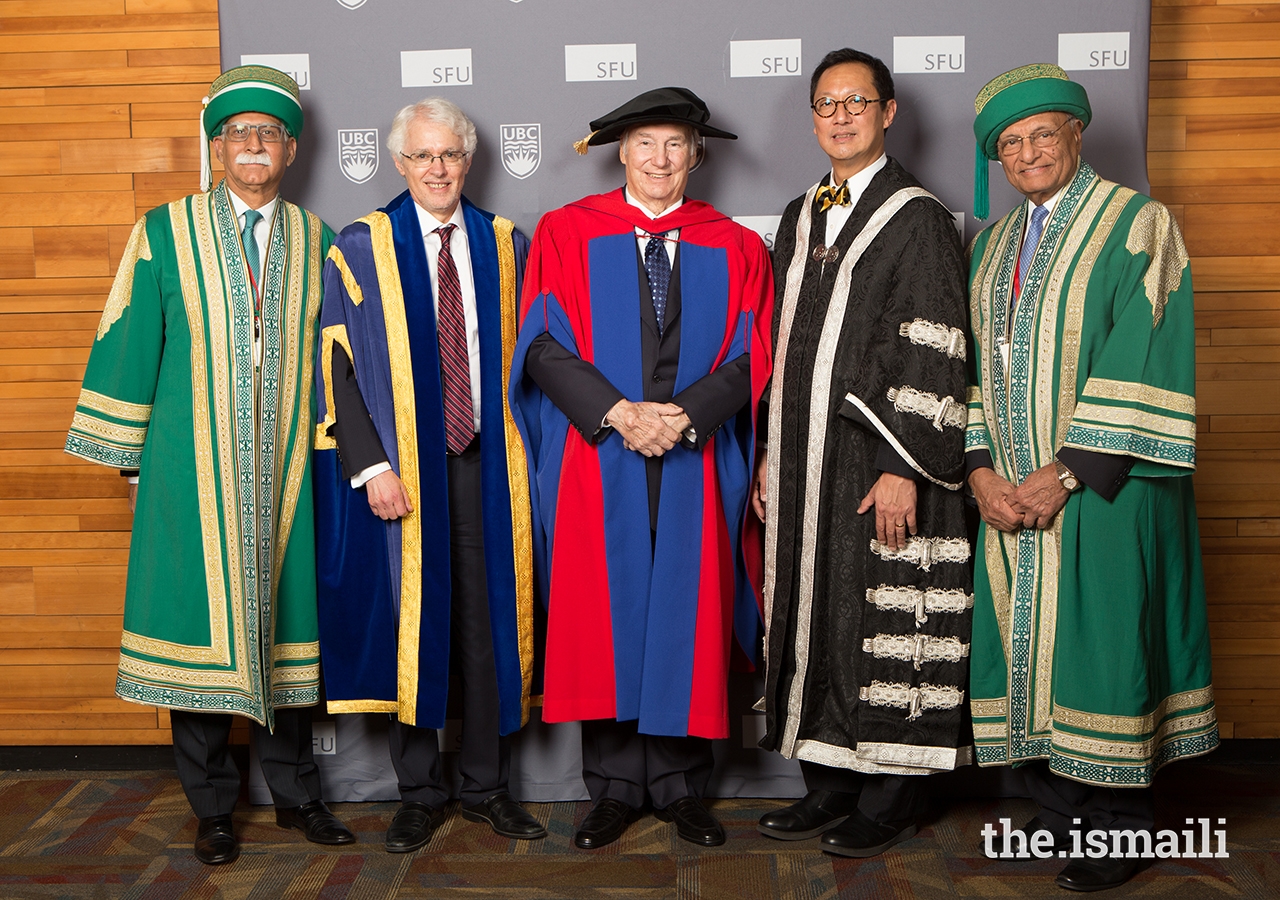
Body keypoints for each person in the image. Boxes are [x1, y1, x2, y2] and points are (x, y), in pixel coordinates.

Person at [64, 65, 352, 866]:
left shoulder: (318, 239)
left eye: (267, 133)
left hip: (291, 472)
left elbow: (340, 362)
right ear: (216, 147)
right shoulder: (164, 230)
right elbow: (128, 337)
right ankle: (213, 809)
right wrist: (130, 461)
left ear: (290, 150)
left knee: (292, 635)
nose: (252, 145)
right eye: (237, 134)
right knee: (198, 634)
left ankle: (298, 797)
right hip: (189, 475)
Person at [966, 63, 1218, 891]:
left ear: (1076, 135)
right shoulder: (993, 243)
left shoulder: (1137, 223)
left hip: (1108, 486)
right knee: (1029, 648)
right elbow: (970, 369)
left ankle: (1118, 828)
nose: (1030, 152)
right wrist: (978, 473)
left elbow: (1143, 349)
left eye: (1044, 134)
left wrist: (1067, 471)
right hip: (1008, 493)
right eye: (1012, 143)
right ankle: (1059, 810)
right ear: (997, 160)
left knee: (1105, 649)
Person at [508, 87, 773, 850]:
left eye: (676, 145)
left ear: (697, 156)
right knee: (606, 612)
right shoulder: (566, 233)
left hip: (698, 453)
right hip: (600, 455)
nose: (660, 159)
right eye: (646, 144)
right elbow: (540, 344)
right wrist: (619, 413)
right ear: (620, 152)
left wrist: (686, 414)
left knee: (691, 612)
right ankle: (616, 790)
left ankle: (685, 790)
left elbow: (754, 353)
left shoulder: (735, 245)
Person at [752, 48, 972, 859]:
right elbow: (779, 348)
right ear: (814, 119)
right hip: (807, 458)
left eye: (856, 101)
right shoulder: (799, 213)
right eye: (826, 103)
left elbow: (937, 352)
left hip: (879, 459)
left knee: (881, 615)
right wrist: (772, 451)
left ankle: (892, 796)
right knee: (819, 615)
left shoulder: (919, 216)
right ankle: (830, 786)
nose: (840, 115)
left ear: (888, 112)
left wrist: (903, 466)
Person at [313, 97, 544, 853]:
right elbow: (337, 369)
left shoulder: (506, 243)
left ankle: (485, 786)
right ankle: (419, 792)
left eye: (449, 155)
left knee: (487, 628)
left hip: (488, 466)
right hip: (404, 472)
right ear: (399, 163)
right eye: (422, 157)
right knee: (415, 631)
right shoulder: (358, 245)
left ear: (468, 161)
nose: (437, 169)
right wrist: (370, 464)